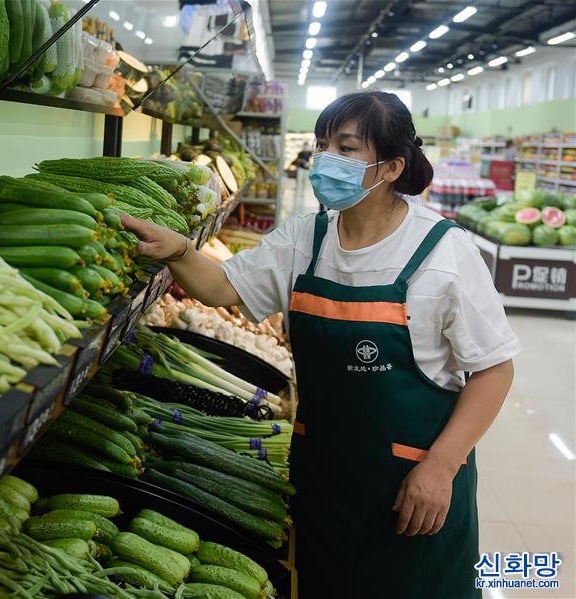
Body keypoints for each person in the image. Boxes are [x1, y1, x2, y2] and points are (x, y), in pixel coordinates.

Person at [120, 91, 520, 599]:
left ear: (392, 166)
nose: (325, 159)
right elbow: (224, 288)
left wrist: (441, 467)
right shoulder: (304, 240)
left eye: (346, 148)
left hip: (415, 489)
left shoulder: (442, 252)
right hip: (326, 482)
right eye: (322, 144)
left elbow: (494, 370)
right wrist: (177, 248)